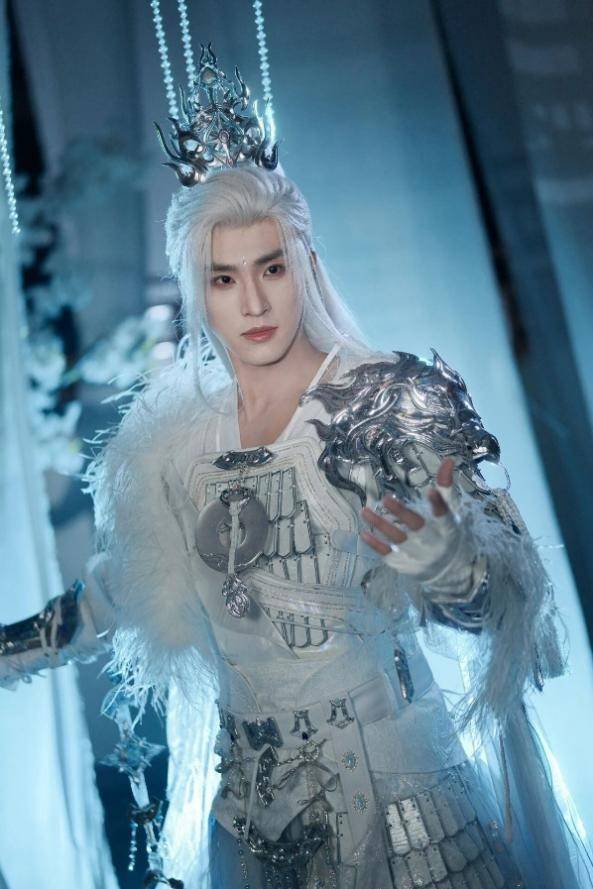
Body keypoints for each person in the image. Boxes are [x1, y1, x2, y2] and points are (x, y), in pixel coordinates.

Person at [1, 47, 590, 889]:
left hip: (407, 815)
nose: (252, 303)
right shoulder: (172, 443)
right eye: (224, 278)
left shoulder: (386, 401)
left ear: (305, 264)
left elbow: (511, 604)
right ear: (196, 289)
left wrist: (452, 567)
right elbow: (112, 596)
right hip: (251, 826)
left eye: (270, 268)